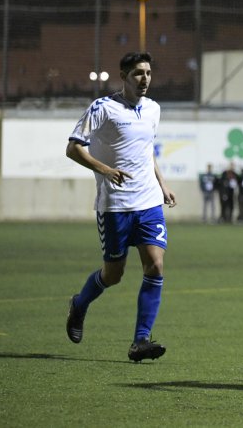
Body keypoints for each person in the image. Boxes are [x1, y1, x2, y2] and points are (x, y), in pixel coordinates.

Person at [64, 51, 177, 362]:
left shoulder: (153, 109)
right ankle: (80, 303)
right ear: (124, 76)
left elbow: (147, 151)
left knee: (155, 265)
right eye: (138, 73)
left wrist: (162, 184)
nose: (145, 79)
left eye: (148, 73)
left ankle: (141, 341)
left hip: (149, 202)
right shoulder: (103, 108)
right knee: (113, 275)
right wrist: (106, 170)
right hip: (115, 205)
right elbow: (73, 148)